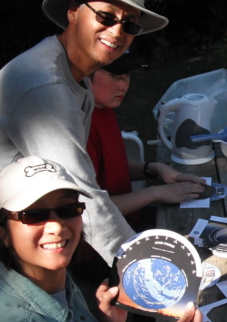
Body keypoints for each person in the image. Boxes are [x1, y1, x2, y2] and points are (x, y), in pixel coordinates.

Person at [0, 0, 168, 319]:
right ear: (73, 13)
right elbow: (82, 190)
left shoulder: (77, 74)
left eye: (130, 24)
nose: (117, 31)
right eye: (106, 16)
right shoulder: (45, 87)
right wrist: (142, 266)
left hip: (28, 215)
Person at [0, 156, 202, 322]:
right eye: (34, 215)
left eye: (68, 209)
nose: (56, 225)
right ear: (2, 233)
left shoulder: (55, 282)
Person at [87, 49, 206, 231]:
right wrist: (156, 192)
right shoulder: (83, 127)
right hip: (113, 233)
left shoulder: (104, 108)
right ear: (86, 76)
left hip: (131, 217)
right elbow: (92, 210)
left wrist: (155, 168)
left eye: (126, 74)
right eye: (113, 75)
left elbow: (111, 166)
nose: (123, 85)